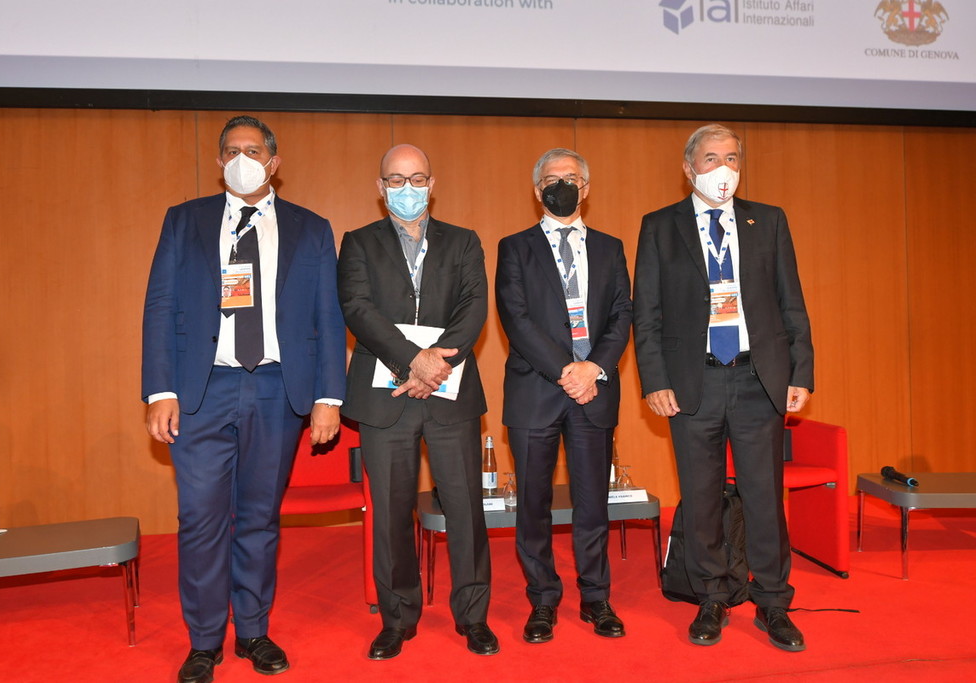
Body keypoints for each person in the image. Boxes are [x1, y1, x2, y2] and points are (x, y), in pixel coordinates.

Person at [142, 115, 346, 682]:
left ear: (273, 162)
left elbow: (328, 316)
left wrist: (329, 396)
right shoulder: (185, 220)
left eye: (252, 150)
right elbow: (160, 305)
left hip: (277, 389)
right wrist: (160, 389)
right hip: (201, 391)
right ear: (218, 161)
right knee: (200, 518)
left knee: (259, 518)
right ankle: (204, 641)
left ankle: (253, 631)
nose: (241, 158)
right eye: (231, 150)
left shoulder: (311, 228)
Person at [632, 124, 813, 652]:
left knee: (764, 496)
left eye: (732, 158)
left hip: (759, 379)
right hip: (694, 381)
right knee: (702, 497)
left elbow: (791, 302)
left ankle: (773, 601)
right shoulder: (659, 226)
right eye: (711, 158)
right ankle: (711, 596)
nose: (723, 168)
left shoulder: (769, 220)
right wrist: (654, 380)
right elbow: (647, 313)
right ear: (689, 168)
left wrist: (800, 372)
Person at [338, 144, 498, 660]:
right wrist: (414, 361)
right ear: (380, 187)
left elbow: (475, 306)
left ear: (432, 184)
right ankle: (397, 619)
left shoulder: (464, 241)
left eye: (417, 178)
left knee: (465, 508)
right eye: (396, 179)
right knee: (390, 513)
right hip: (385, 397)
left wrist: (436, 366)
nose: (407, 188)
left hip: (450, 392)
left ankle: (473, 616)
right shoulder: (358, 242)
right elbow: (357, 308)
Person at [495, 148, 632, 644]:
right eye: (551, 179)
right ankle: (543, 599)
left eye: (571, 178)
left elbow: (622, 314)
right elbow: (515, 318)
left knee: (593, 503)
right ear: (538, 191)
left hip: (595, 390)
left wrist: (593, 369)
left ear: (586, 188)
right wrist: (565, 372)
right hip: (536, 392)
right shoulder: (515, 247)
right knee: (532, 505)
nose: (562, 186)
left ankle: (596, 598)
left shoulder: (611, 247)